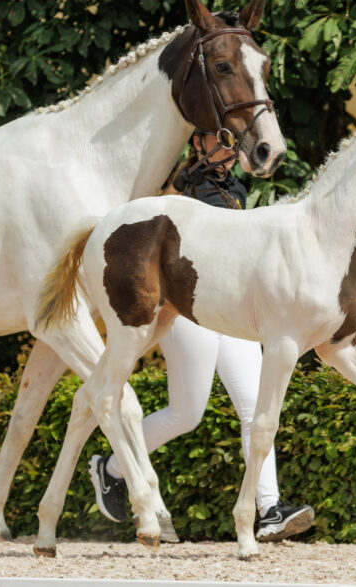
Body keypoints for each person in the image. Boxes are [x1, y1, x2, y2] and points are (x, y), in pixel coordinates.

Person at [88, 129, 315, 543]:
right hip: (188, 309)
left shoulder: (237, 189)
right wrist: (190, 174)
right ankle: (113, 469)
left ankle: (269, 509)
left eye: (234, 143)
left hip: (234, 309)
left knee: (254, 408)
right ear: (198, 144)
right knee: (186, 414)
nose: (231, 150)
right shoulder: (183, 185)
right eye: (221, 141)